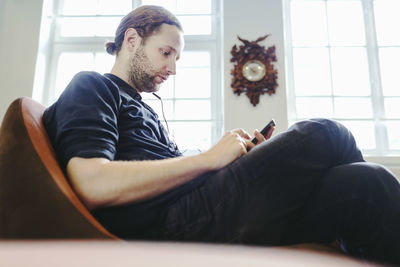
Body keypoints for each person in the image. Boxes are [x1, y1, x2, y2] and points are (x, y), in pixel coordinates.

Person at [43, 5, 400, 265]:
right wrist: (208, 159)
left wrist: (233, 159)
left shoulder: (145, 109)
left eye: (177, 58)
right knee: (326, 133)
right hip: (174, 225)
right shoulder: (92, 86)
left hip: (203, 210)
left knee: (366, 183)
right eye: (166, 53)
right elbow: (92, 183)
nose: (172, 68)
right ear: (132, 40)